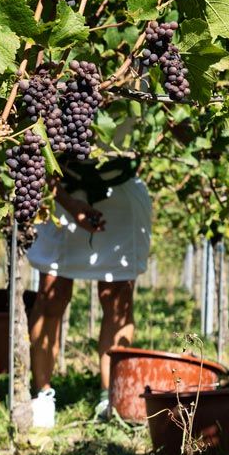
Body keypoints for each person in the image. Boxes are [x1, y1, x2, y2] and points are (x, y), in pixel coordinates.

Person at [27, 156, 152, 428]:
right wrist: (68, 203)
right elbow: (38, 154)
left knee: (117, 300)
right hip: (62, 195)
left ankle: (111, 398)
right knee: (51, 296)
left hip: (119, 194)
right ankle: (42, 394)